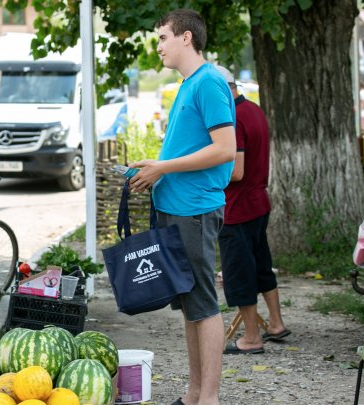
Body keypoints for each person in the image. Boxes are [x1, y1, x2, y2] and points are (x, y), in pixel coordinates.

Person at [129, 9, 236, 405]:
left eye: (162, 38)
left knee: (203, 305)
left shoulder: (208, 82)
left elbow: (224, 149)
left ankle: (208, 398)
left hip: (194, 210)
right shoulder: (189, 84)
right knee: (191, 305)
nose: (158, 47)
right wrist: (153, 168)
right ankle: (194, 394)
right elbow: (189, 148)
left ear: (186, 38)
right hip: (177, 208)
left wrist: (164, 168)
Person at [214, 65, 289, 355]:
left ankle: (251, 338)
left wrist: (205, 172)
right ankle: (277, 324)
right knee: (261, 266)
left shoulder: (233, 118)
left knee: (239, 274)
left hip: (238, 208)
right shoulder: (254, 110)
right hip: (258, 203)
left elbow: (237, 171)